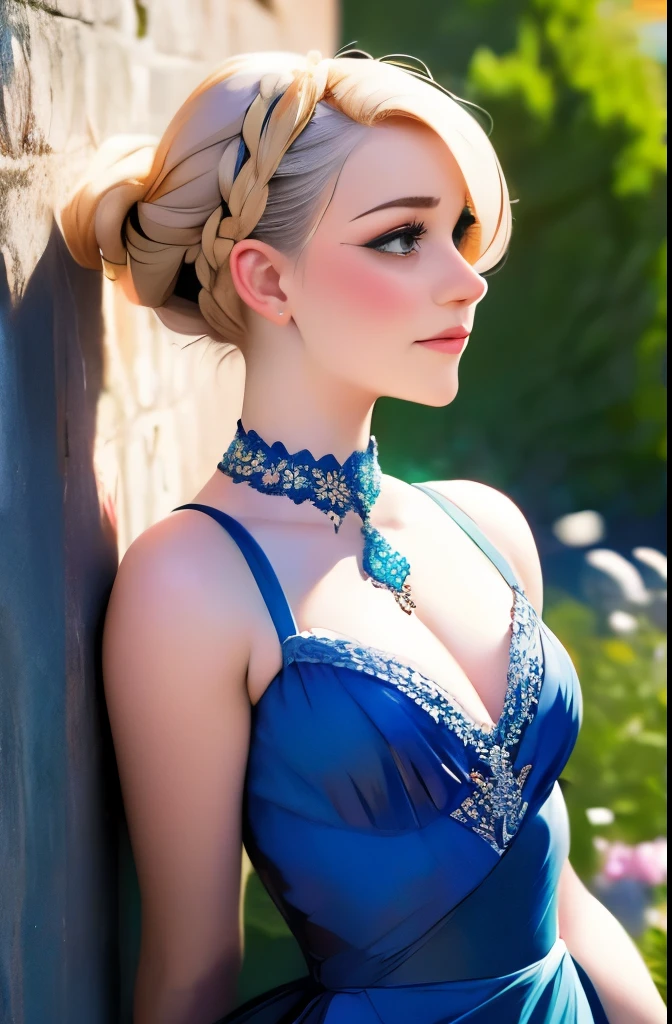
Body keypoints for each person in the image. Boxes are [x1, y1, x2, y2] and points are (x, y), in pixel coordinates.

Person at [61, 48, 666, 1024]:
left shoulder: (486, 525)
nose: (466, 279)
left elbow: (563, 893)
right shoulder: (190, 583)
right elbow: (187, 974)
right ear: (266, 278)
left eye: (460, 233)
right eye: (401, 239)